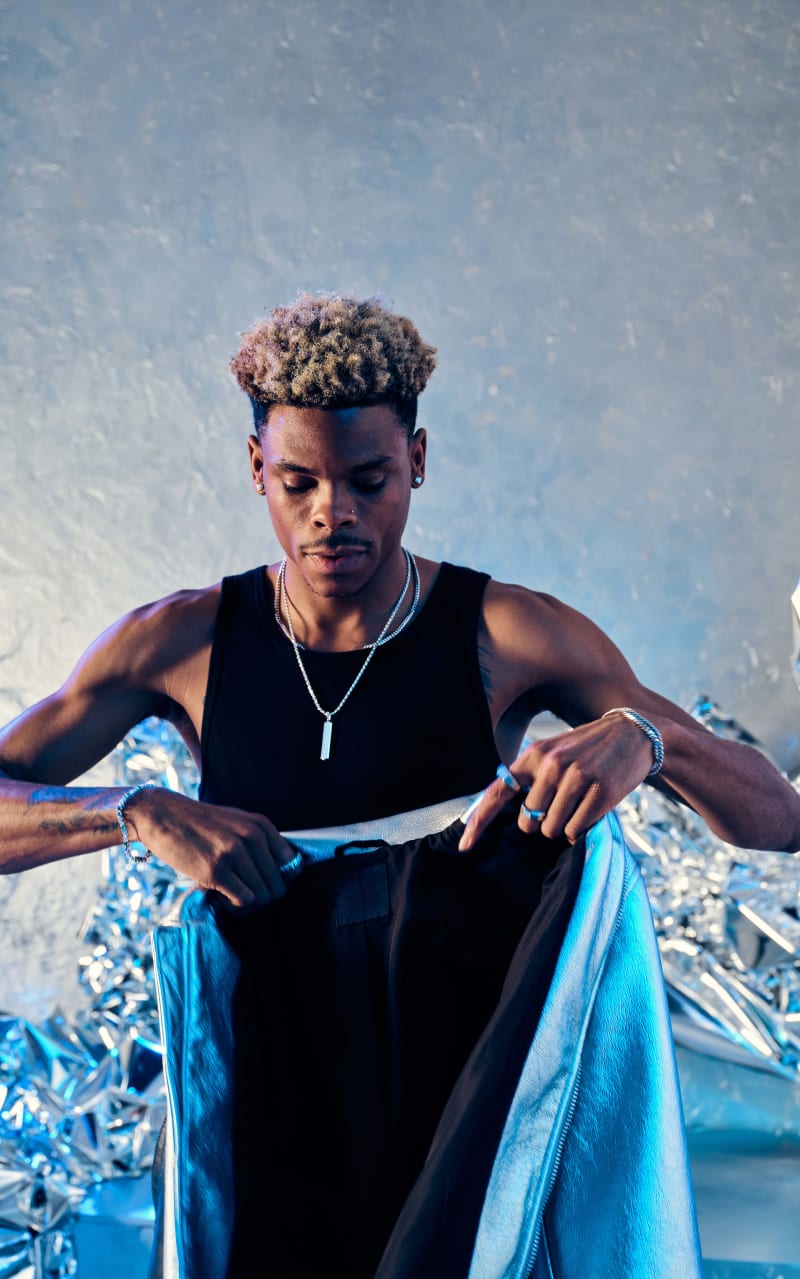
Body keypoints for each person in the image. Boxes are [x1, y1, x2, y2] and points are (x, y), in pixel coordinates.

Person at [1, 292, 798, 1278]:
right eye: (298, 482)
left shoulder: (504, 631)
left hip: (465, 1078)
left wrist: (641, 736)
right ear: (256, 470)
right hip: (275, 1070)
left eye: (368, 479)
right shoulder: (182, 639)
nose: (332, 512)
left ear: (416, 461)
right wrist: (129, 810)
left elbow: (777, 817)